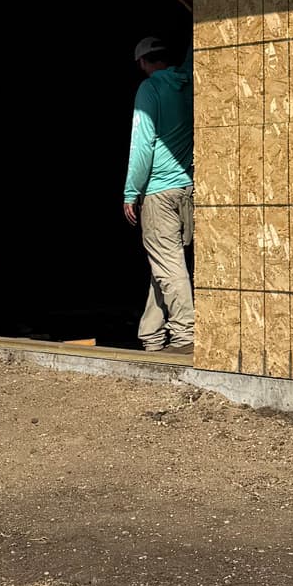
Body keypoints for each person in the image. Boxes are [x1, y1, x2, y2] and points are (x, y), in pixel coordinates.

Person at [123, 34, 194, 351]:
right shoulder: (187, 81)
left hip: (158, 191)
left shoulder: (149, 89)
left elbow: (142, 145)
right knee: (164, 263)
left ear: (142, 62)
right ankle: (151, 335)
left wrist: (131, 192)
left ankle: (185, 335)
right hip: (186, 190)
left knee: (168, 265)